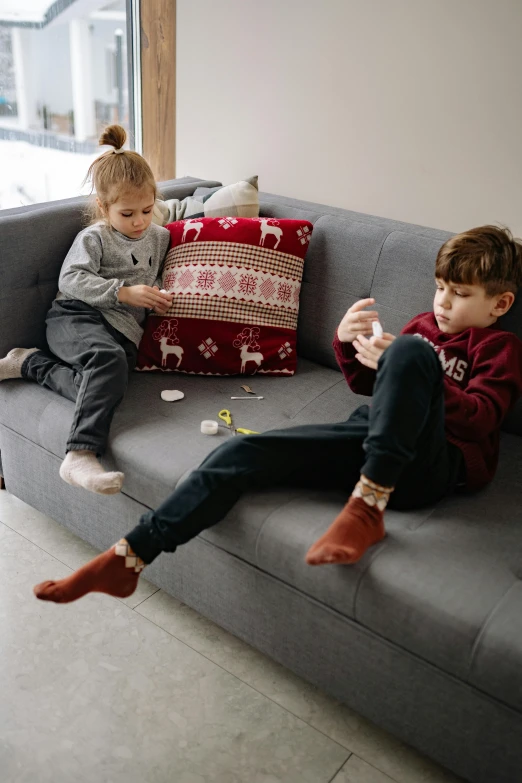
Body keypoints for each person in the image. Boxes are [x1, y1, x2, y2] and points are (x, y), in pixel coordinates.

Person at [33, 225, 522, 603]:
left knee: (413, 354)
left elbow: (480, 418)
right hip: (372, 437)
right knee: (242, 450)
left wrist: (413, 365)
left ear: (500, 303)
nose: (442, 302)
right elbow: (366, 388)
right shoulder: (422, 325)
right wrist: (350, 344)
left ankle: (368, 505)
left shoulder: (499, 347)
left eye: (459, 295)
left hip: (432, 464)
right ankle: (131, 557)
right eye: (440, 288)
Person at [0, 125, 172, 495]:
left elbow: (155, 274)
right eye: (127, 214)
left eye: (146, 209)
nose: (139, 221)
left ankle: (28, 363)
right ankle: (79, 454)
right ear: (103, 207)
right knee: (107, 364)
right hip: (74, 316)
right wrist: (123, 293)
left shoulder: (160, 236)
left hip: (122, 331)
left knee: (108, 384)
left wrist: (155, 293)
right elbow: (71, 280)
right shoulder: (93, 237)